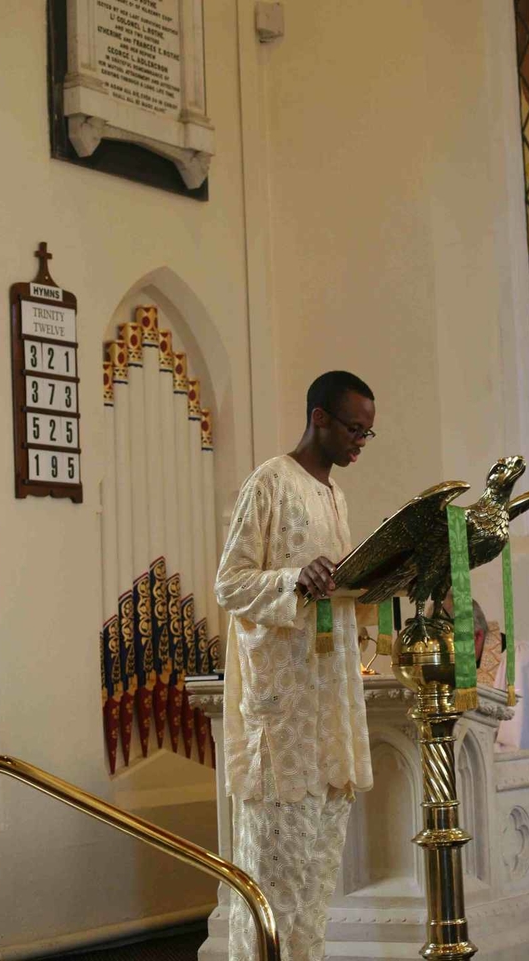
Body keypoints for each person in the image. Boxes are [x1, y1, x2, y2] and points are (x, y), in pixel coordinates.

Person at [215, 371, 376, 961]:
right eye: (355, 428)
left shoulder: (336, 497)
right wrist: (292, 578)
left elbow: (338, 591)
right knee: (270, 885)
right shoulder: (270, 482)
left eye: (369, 432)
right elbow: (229, 584)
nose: (361, 440)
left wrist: (373, 587)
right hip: (282, 722)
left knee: (312, 890)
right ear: (320, 419)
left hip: (328, 711)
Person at [443, 593, 529, 751]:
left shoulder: (520, 661)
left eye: (451, 645)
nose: (445, 654)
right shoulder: (452, 663)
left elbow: (518, 744)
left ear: (476, 636)